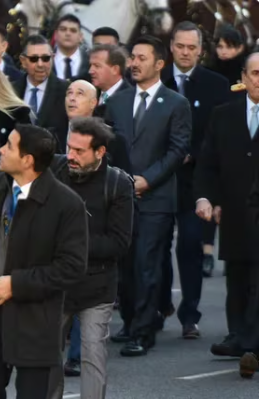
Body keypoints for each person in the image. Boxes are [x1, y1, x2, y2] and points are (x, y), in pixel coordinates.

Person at [0, 124, 88, 399]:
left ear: (28, 160)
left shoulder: (67, 204)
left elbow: (72, 267)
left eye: (9, 146)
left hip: (35, 321)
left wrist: (16, 284)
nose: (0, 149)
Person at [104, 36, 191, 357]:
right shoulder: (117, 102)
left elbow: (177, 149)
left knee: (147, 264)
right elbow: (109, 147)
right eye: (133, 58)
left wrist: (147, 180)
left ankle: (143, 330)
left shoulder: (175, 103)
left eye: (142, 58)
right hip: (120, 198)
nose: (135, 63)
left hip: (156, 199)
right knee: (125, 266)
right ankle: (130, 321)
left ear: (159, 63)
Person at [48, 117, 134, 399]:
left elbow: (119, 243)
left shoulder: (118, 183)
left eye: (79, 151)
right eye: (69, 148)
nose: (70, 155)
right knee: (47, 358)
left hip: (96, 285)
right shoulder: (53, 169)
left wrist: (70, 245)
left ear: (100, 152)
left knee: (93, 357)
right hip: (55, 284)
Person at [159, 22, 231, 338]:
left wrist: (194, 156)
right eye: (180, 46)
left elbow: (221, 134)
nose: (186, 52)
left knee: (190, 245)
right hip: (158, 179)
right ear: (171, 47)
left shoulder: (216, 84)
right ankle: (159, 306)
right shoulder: (157, 78)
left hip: (196, 182)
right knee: (155, 247)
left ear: (201, 50)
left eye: (192, 47)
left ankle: (190, 315)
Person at [194, 51, 258, 361]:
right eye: (255, 73)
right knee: (237, 277)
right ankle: (238, 336)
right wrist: (206, 197)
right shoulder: (223, 114)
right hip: (233, 213)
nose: (260, 80)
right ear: (244, 79)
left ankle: (252, 340)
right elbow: (207, 163)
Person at [14, 35, 70, 151]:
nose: (40, 64)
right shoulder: (11, 90)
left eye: (45, 58)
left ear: (52, 58)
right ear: (23, 61)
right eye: (34, 59)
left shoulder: (67, 91)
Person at [65, 79, 130, 173]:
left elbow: (125, 180)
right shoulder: (52, 133)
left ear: (93, 103)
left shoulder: (112, 139)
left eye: (80, 93)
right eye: (69, 93)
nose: (72, 98)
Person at [89, 44, 131, 117]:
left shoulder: (130, 100)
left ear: (115, 69)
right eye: (90, 65)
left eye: (97, 66)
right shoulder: (89, 92)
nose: (90, 71)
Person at [53, 15, 89, 81]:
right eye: (63, 29)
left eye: (73, 30)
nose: (68, 33)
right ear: (55, 35)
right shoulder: (45, 59)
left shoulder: (90, 62)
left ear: (80, 37)